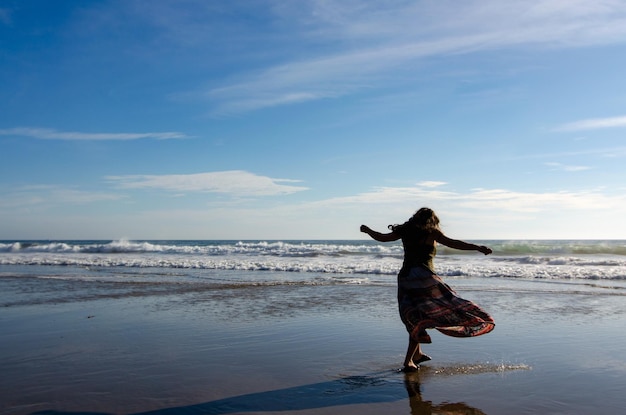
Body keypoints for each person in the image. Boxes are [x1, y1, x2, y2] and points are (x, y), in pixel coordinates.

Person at [360, 207, 495, 372]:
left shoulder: (405, 231)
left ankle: (417, 354)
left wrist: (368, 230)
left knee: (414, 315)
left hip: (406, 277)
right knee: (429, 314)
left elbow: (382, 238)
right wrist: (477, 248)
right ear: (432, 220)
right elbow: (455, 243)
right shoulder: (432, 233)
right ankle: (408, 361)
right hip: (424, 279)